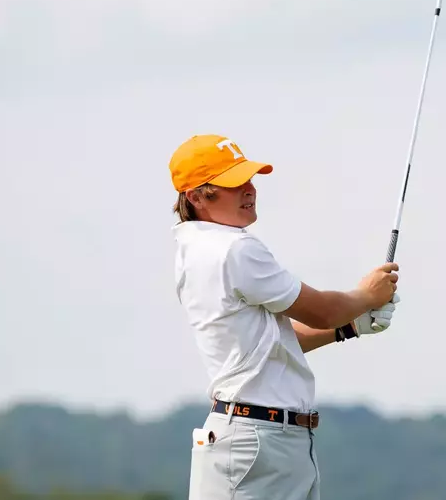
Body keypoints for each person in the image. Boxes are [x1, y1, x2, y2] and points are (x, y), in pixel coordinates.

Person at [168, 134, 400, 500]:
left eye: (249, 178)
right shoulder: (233, 250)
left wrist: (350, 326)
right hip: (255, 442)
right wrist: (366, 295)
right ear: (196, 197)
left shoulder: (199, 247)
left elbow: (272, 344)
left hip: (268, 441)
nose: (248, 190)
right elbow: (322, 310)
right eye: (233, 184)